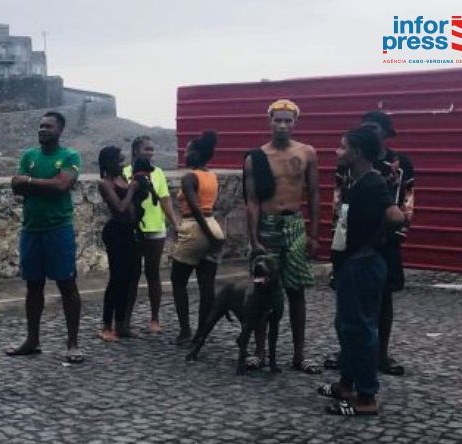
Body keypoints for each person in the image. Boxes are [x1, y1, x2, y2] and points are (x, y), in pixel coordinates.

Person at [317, 127, 404, 416]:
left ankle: (366, 398)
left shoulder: (372, 183)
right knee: (346, 326)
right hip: (351, 263)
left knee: (361, 329)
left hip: (363, 264)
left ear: (357, 152)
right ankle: (346, 383)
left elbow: (396, 216)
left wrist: (373, 243)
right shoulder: (357, 182)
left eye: (342, 148)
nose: (337, 152)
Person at [324, 111, 415, 376]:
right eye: (365, 127)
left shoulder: (401, 164)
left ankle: (380, 356)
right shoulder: (348, 165)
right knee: (349, 302)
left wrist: (392, 235)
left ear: (386, 132)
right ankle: (349, 354)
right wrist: (337, 236)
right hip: (352, 239)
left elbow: (406, 203)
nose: (369, 131)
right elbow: (338, 201)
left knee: (383, 299)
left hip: (384, 240)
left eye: (374, 127)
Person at [243, 99, 321, 374]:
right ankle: (260, 351)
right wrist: (253, 239)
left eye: (288, 120)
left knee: (296, 290)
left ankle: (299, 354)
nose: (283, 125)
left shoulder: (307, 153)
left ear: (295, 122)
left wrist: (313, 234)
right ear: (270, 121)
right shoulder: (257, 157)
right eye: (278, 119)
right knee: (262, 289)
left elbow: (313, 193)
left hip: (295, 225)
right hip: (268, 224)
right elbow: (251, 200)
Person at [7, 111, 85, 364]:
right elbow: (15, 185)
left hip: (58, 229)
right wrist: (41, 183)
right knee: (33, 286)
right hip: (31, 229)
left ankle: (72, 342)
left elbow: (62, 185)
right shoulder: (29, 156)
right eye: (41, 126)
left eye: (48, 126)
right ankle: (32, 340)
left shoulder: (69, 156)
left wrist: (29, 181)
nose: (43, 130)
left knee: (67, 285)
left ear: (60, 131)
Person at [171, 130, 225, 345]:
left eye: (188, 150)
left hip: (196, 228)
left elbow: (194, 207)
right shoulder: (211, 176)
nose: (185, 154)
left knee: (178, 281)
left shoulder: (189, 177)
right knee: (207, 285)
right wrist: (214, 234)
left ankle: (185, 331)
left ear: (197, 153)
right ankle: (203, 331)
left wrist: (208, 234)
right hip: (213, 224)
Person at [123, 136, 180, 334]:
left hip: (155, 228)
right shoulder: (125, 173)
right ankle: (126, 319)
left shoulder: (158, 173)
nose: (150, 153)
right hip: (134, 229)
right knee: (132, 274)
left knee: (153, 273)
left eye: (152, 150)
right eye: (146, 149)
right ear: (136, 150)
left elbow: (165, 200)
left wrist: (174, 223)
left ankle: (155, 318)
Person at [97, 145, 140, 341]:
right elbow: (120, 208)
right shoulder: (105, 183)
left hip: (130, 232)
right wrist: (131, 189)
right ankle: (106, 325)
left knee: (130, 278)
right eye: (119, 161)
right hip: (116, 232)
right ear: (109, 163)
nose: (123, 164)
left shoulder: (124, 179)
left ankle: (121, 324)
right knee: (117, 279)